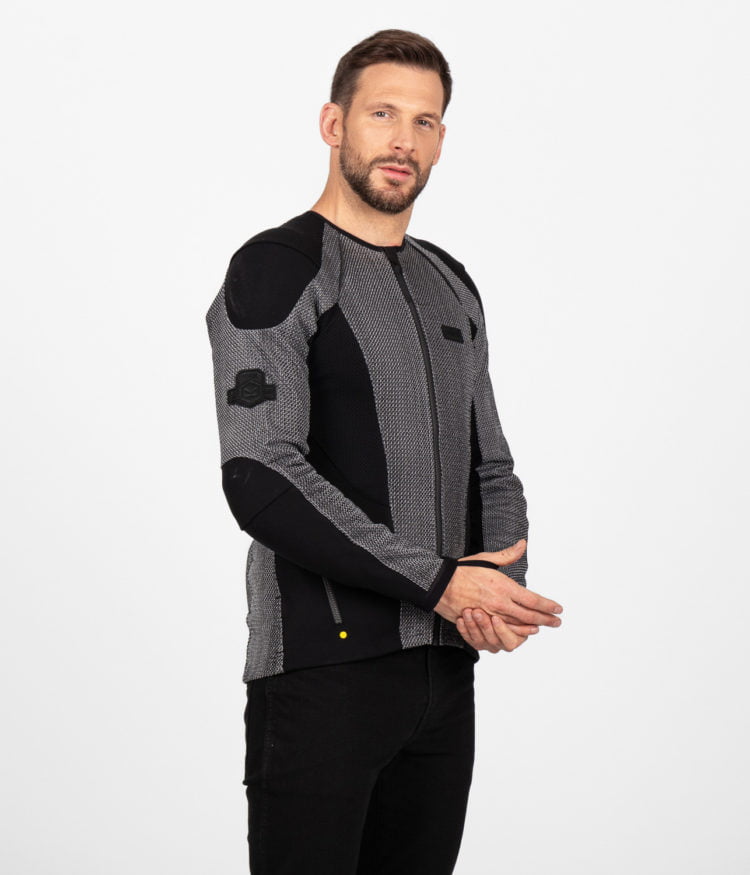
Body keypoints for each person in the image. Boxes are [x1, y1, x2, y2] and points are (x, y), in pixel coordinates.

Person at [205, 28, 564, 875]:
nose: (404, 140)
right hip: (320, 676)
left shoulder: (450, 281)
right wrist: (443, 582)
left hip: (442, 677)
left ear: (440, 140)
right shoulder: (278, 267)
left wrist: (496, 586)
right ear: (334, 124)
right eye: (382, 114)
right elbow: (260, 475)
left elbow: (492, 464)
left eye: (424, 121)